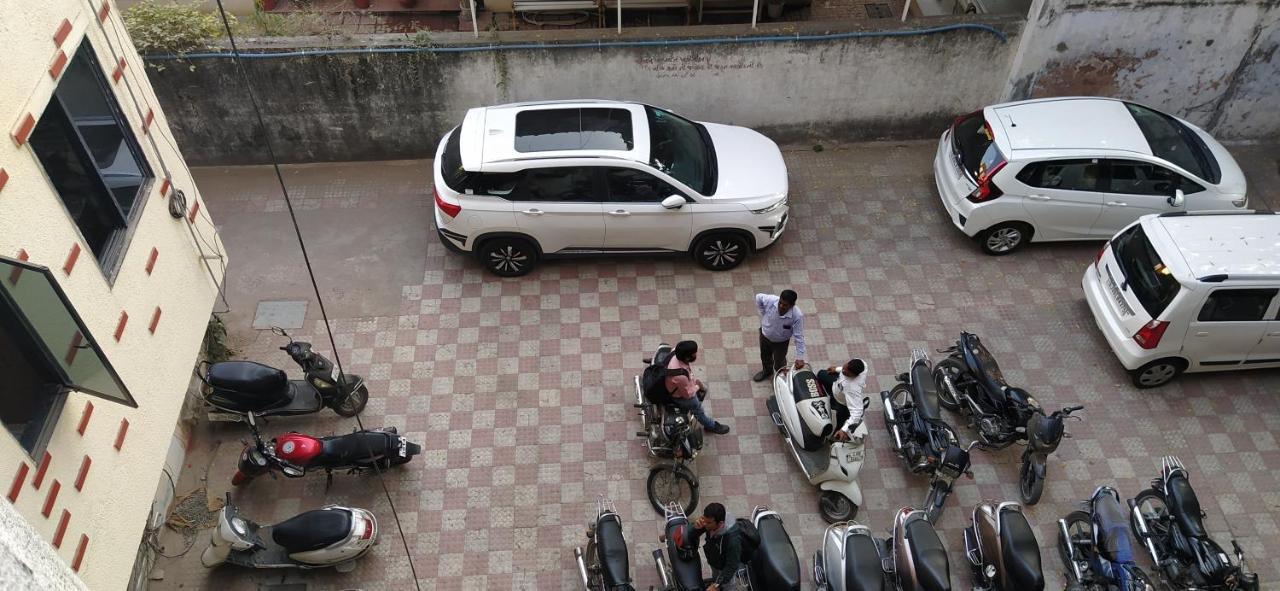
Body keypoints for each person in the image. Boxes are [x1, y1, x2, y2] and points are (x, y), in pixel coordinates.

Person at [666, 340, 731, 435]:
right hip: (679, 395)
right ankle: (710, 426)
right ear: (687, 357)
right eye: (694, 354)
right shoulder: (680, 376)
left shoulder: (675, 351)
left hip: (682, 385)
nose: (696, 354)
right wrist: (697, 386)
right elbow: (687, 395)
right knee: (697, 408)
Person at [693, 503, 754, 591]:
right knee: (716, 577)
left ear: (720, 523)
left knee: (728, 586)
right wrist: (694, 526)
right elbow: (696, 530)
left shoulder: (733, 541)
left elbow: (731, 567)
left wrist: (716, 585)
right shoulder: (711, 524)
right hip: (716, 563)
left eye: (708, 522)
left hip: (726, 570)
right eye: (704, 520)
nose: (705, 524)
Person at [752, 290, 806, 382]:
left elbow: (799, 337)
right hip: (765, 335)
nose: (781, 306)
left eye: (785, 305)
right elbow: (758, 297)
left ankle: (781, 379)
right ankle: (767, 372)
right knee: (765, 356)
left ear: (792, 305)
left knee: (779, 362)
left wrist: (800, 357)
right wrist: (762, 312)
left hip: (781, 343)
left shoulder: (797, 316)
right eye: (780, 302)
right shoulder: (771, 300)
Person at [817, 358, 867, 442]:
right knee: (821, 374)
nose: (843, 371)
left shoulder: (853, 389)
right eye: (845, 367)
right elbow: (845, 369)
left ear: (855, 375)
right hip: (836, 384)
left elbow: (857, 412)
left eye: (846, 372)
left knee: (839, 422)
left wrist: (844, 430)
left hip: (841, 403)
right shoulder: (862, 364)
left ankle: (834, 439)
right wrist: (837, 370)